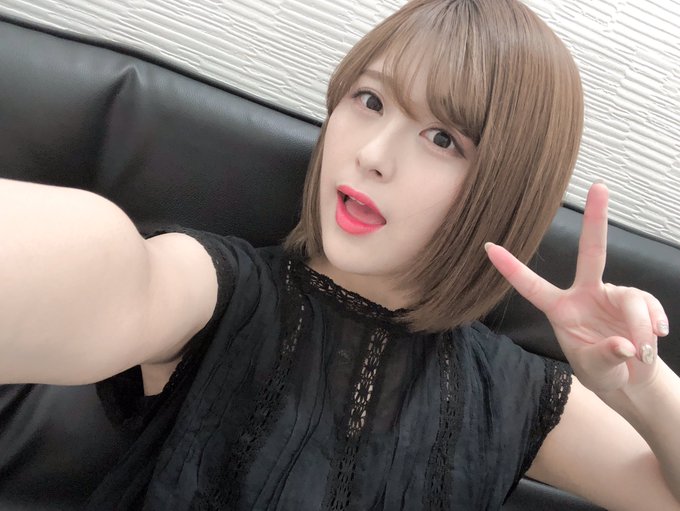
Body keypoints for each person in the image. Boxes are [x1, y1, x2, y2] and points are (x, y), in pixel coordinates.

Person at [0, 0, 678, 509]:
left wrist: (644, 387)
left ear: (503, 189)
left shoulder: (511, 392)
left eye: (442, 139)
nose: (371, 154)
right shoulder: (223, 295)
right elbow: (118, 277)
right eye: (369, 99)